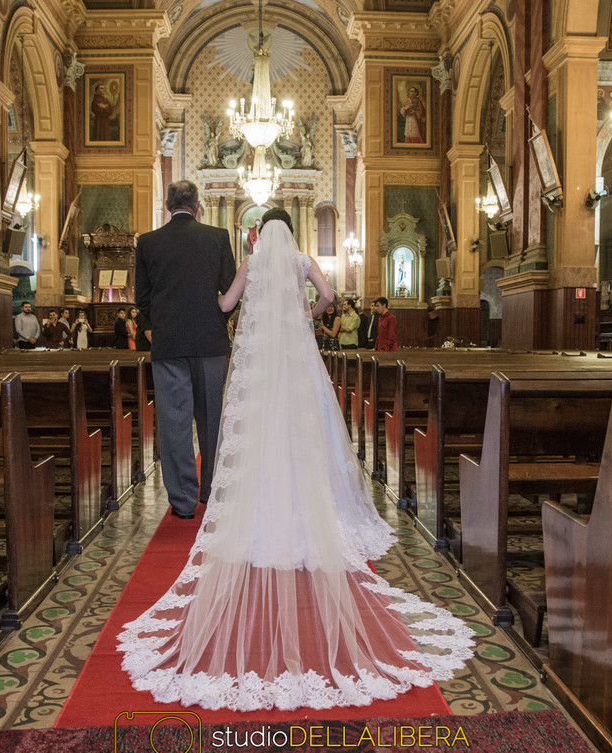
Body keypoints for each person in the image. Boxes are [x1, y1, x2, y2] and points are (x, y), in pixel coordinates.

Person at [119, 206, 474, 711]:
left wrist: (218, 302)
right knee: (306, 426)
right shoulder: (302, 262)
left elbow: (222, 306)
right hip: (298, 357)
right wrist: (304, 315)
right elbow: (329, 296)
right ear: (294, 231)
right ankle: (310, 504)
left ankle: (262, 503)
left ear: (262, 233)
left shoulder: (252, 262)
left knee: (260, 427)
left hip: (261, 361)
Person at [135, 180, 237, 519]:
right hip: (210, 343)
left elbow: (142, 300)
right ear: (197, 206)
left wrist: (161, 323)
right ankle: (209, 491)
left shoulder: (148, 243)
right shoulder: (217, 237)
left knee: (174, 421)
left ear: (167, 205)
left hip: (168, 345)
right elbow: (229, 291)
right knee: (211, 420)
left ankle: (182, 501)